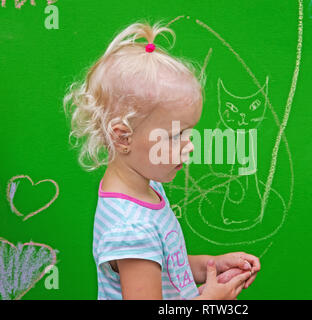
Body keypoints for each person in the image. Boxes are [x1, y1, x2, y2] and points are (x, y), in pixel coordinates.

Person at [63, 19, 260, 300]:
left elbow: (167, 267)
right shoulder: (131, 229)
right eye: (175, 135)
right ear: (123, 138)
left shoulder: (148, 187)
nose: (189, 146)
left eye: (188, 132)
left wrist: (210, 266)